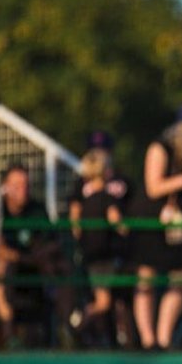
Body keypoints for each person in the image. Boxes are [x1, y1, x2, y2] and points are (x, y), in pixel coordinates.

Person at [129, 101, 182, 350]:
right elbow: (153, 186)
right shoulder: (161, 147)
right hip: (152, 220)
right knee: (146, 277)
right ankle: (147, 339)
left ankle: (163, 338)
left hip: (181, 222)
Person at [0, 163, 66, 348]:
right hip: (11, 267)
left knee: (57, 266)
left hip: (35, 265)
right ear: (5, 186)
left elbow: (49, 242)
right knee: (3, 268)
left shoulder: (37, 210)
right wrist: (20, 256)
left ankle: (63, 330)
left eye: (26, 184)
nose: (23, 190)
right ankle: (9, 337)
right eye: (17, 185)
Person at [68, 148, 126, 347]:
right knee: (105, 302)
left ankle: (101, 335)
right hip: (105, 258)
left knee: (106, 299)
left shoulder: (83, 201)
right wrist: (126, 229)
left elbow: (75, 228)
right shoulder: (107, 198)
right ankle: (77, 322)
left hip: (91, 257)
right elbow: (116, 221)